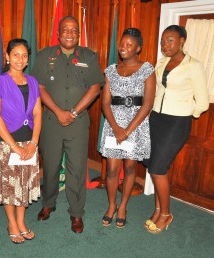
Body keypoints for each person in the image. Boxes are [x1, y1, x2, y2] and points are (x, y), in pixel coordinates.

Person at [31, 16, 104, 233]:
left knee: (77, 169)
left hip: (78, 123)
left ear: (78, 34)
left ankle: (76, 213)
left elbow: (95, 88)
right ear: (58, 33)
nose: (69, 33)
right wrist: (58, 111)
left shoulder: (89, 56)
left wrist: (72, 112)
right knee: (51, 166)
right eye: (65, 29)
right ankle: (48, 204)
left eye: (74, 30)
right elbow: (40, 87)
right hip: (52, 121)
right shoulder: (45, 55)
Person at [143, 25, 209, 234]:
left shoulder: (194, 66)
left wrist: (187, 113)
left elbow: (203, 102)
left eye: (170, 40)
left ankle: (166, 214)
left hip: (177, 122)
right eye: (163, 41)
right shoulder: (161, 62)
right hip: (156, 119)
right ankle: (157, 209)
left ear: (182, 41)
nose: (165, 45)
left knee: (157, 168)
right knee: (155, 165)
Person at [99, 28, 156, 228]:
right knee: (113, 169)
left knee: (130, 167)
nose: (124, 47)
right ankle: (112, 205)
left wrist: (128, 130)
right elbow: (105, 103)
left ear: (138, 48)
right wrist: (116, 128)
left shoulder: (147, 69)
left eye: (129, 44)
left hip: (136, 125)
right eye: (122, 44)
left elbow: (148, 104)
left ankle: (123, 206)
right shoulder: (111, 70)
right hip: (114, 125)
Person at [0, 39, 41, 244]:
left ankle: (21, 221)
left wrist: (33, 143)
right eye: (16, 55)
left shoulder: (33, 81)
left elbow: (37, 112)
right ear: (8, 56)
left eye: (24, 55)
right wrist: (14, 147)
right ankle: (11, 223)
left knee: (24, 186)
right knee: (10, 188)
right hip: (7, 144)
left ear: (28, 59)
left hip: (29, 142)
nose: (20, 59)